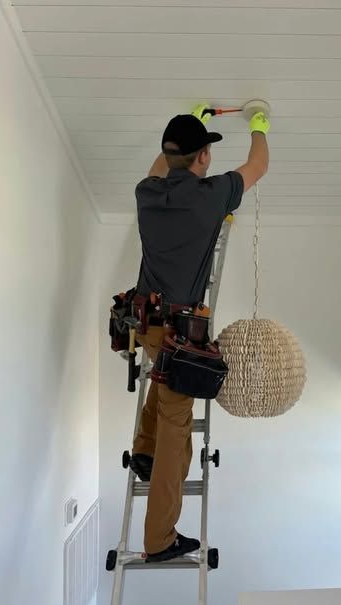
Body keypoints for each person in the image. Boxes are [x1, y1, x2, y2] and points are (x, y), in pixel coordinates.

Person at [128, 103, 270, 562]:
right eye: (205, 148)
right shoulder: (211, 195)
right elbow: (258, 165)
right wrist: (258, 122)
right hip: (179, 332)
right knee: (178, 428)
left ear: (170, 154)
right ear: (203, 158)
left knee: (158, 379)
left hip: (146, 325)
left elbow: (158, 167)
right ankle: (159, 539)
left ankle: (144, 454)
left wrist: (191, 126)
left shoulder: (146, 193)